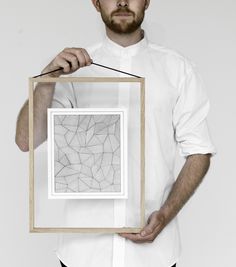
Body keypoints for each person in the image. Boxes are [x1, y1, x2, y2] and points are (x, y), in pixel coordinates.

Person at [15, 0, 216, 267]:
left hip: (153, 256)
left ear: (146, 1)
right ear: (96, 3)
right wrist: (45, 80)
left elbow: (199, 151)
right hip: (81, 254)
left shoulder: (178, 69)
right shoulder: (69, 70)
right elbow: (26, 140)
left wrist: (166, 214)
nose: (122, 1)